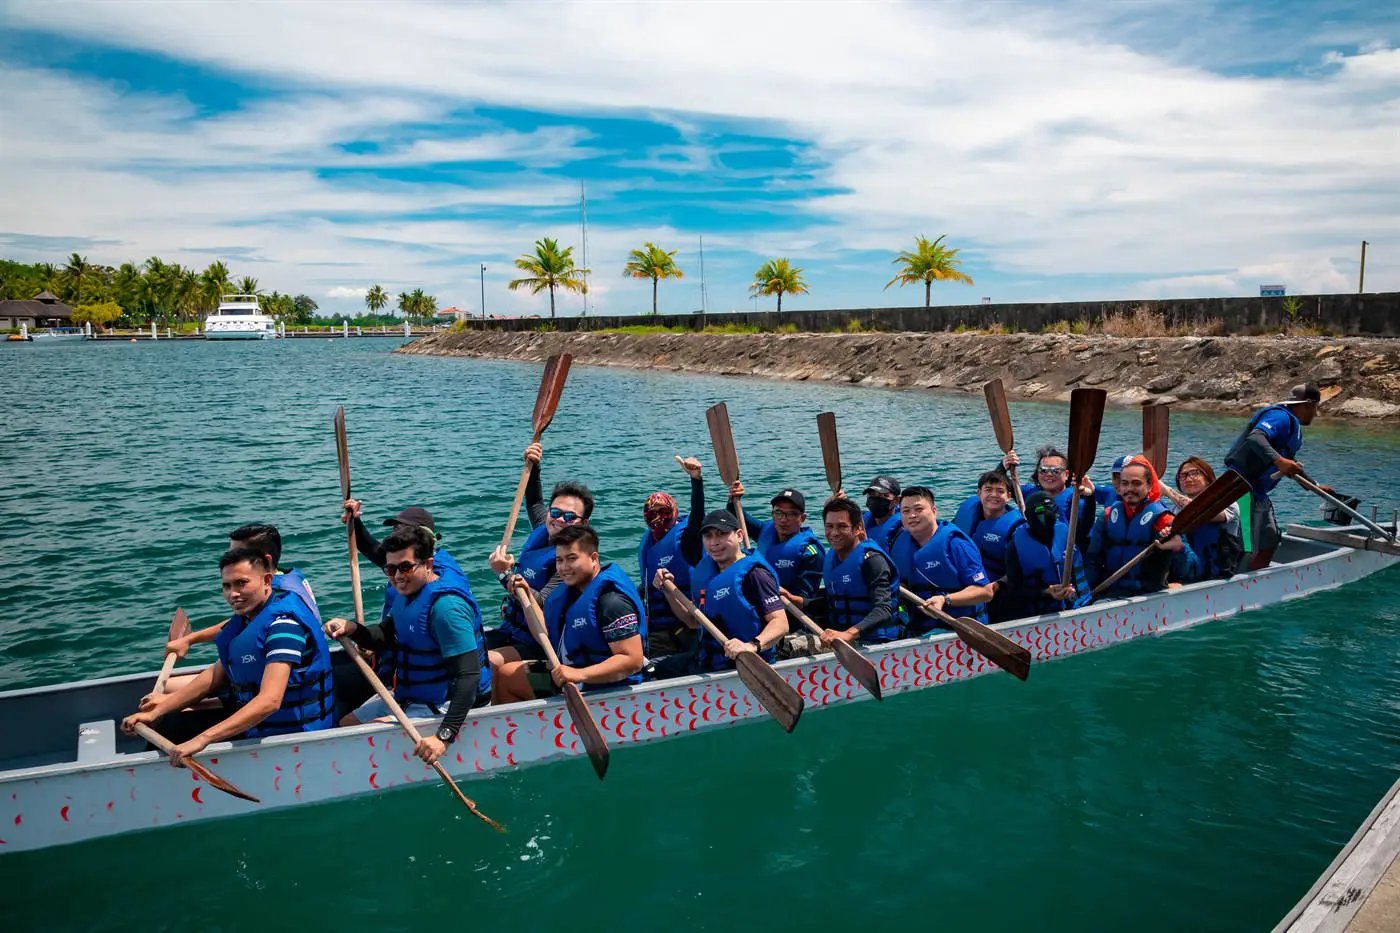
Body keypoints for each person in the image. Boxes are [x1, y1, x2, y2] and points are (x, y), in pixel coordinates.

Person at [123, 548, 336, 761]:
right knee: (171, 723)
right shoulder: (246, 620)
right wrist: (157, 711)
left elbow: (270, 701)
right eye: (227, 586)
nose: (233, 594)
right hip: (256, 724)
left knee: (178, 730)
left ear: (267, 581)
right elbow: (214, 677)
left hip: (292, 736)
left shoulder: (283, 627)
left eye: (241, 583)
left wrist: (202, 740)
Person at [323, 525, 484, 763]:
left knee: (355, 737)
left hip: (442, 704)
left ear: (428, 564)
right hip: (410, 696)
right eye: (390, 569)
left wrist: (444, 736)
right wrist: (353, 629)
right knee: (345, 725)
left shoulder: (446, 609)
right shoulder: (406, 594)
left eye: (405, 567)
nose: (397, 576)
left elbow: (469, 675)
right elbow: (384, 635)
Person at [156, 523, 322, 699]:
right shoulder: (287, 578)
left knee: (169, 688)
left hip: (282, 672)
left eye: (239, 554)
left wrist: (191, 639)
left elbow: (250, 628)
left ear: (266, 562)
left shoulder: (276, 595)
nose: (232, 559)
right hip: (272, 661)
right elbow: (241, 625)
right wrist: (190, 640)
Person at [494, 525, 647, 702]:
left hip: (606, 685)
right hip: (573, 674)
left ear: (593, 558)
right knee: (507, 675)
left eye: (572, 558)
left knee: (509, 678)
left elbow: (632, 660)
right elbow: (546, 635)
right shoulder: (570, 593)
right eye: (559, 560)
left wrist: (579, 674)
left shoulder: (612, 602)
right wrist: (526, 596)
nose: (564, 567)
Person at [486, 442, 592, 663]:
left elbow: (542, 601)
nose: (560, 519)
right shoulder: (546, 527)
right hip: (512, 629)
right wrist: (533, 465)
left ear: (583, 524)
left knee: (488, 662)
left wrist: (504, 575)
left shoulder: (572, 561)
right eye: (555, 512)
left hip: (542, 642)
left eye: (570, 517)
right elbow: (534, 501)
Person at [650, 510, 787, 677]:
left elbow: (780, 623)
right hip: (708, 659)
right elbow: (693, 622)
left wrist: (751, 646)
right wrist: (668, 591)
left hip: (746, 665)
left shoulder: (755, 575)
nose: (714, 542)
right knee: (650, 670)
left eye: (722, 534)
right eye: (708, 536)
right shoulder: (708, 574)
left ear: (739, 535)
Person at [1225, 382, 1324, 570]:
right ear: (1308, 405)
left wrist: (1315, 486)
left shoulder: (1292, 427)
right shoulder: (1281, 417)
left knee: (1269, 541)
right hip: (1242, 489)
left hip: (1259, 493)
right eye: (1315, 407)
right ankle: (1235, 579)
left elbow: (1290, 463)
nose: (1315, 413)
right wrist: (1279, 461)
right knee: (1245, 545)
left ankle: (1259, 576)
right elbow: (1256, 437)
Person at [1085, 456, 1201, 598]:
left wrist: (1179, 548)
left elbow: (1193, 571)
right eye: (1125, 483)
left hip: (1149, 596)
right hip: (1111, 593)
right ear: (1120, 486)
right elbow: (1092, 561)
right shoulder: (1107, 516)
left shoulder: (1163, 520)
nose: (1129, 489)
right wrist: (1086, 597)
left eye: (1136, 483)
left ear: (1149, 485)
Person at [889, 486, 995, 632]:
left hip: (960, 629)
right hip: (919, 627)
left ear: (934, 511)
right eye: (906, 511)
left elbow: (986, 592)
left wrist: (945, 600)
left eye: (918, 509)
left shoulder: (956, 544)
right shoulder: (901, 544)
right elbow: (905, 582)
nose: (912, 515)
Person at [638, 456, 706, 657]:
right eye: (651, 513)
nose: (657, 517)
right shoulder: (648, 544)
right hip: (658, 629)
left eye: (663, 511)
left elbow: (697, 516)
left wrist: (696, 480)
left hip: (689, 626)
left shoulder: (687, 539)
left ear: (674, 512)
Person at [725, 481, 826, 610]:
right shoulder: (765, 531)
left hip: (789, 612)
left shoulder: (810, 552)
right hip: (759, 604)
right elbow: (737, 515)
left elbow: (805, 601)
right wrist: (734, 498)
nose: (783, 519)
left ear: (802, 518)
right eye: (778, 512)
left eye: (790, 514)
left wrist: (786, 595)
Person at [813, 497, 901, 645]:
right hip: (841, 635)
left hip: (875, 641)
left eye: (842, 526)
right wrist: (800, 602)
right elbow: (837, 601)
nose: (834, 533)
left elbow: (883, 609)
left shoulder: (872, 560)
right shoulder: (833, 559)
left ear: (858, 528)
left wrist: (849, 634)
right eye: (829, 526)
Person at [1002, 492, 1091, 617]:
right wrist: (1047, 592)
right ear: (1028, 516)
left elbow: (1087, 523)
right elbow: (1014, 590)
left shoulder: (1068, 533)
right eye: (1039, 511)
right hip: (1041, 613)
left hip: (1079, 605)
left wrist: (1090, 497)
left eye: (1050, 509)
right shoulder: (1015, 546)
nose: (1045, 516)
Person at [1000, 446, 1098, 544]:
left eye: (1056, 470)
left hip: (1063, 550)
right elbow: (994, 487)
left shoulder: (1076, 499)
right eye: (1043, 470)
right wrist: (1003, 466)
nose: (1049, 474)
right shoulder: (1028, 492)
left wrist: (1090, 497)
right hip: (1032, 547)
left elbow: (1086, 527)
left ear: (1066, 474)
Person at [340, 502, 464, 576]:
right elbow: (370, 548)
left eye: (406, 568)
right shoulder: (398, 561)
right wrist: (354, 521)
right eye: (395, 529)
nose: (397, 576)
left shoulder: (443, 578)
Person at [1170, 457, 1244, 580]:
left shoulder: (1227, 503)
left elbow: (1198, 512)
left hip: (1218, 574)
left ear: (1208, 478)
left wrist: (1168, 492)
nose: (1188, 479)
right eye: (1183, 476)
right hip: (1187, 571)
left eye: (1194, 473)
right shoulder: (1174, 510)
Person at [952, 470, 1024, 581]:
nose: (994, 495)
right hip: (964, 575)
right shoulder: (968, 513)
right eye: (988, 490)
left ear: (1008, 496)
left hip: (994, 583)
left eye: (1000, 491)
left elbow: (1021, 569)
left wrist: (995, 586)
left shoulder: (1017, 527)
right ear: (979, 493)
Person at [861, 476, 904, 551]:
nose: (876, 499)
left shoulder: (900, 531)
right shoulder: (861, 519)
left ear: (897, 500)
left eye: (884, 495)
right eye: (872, 494)